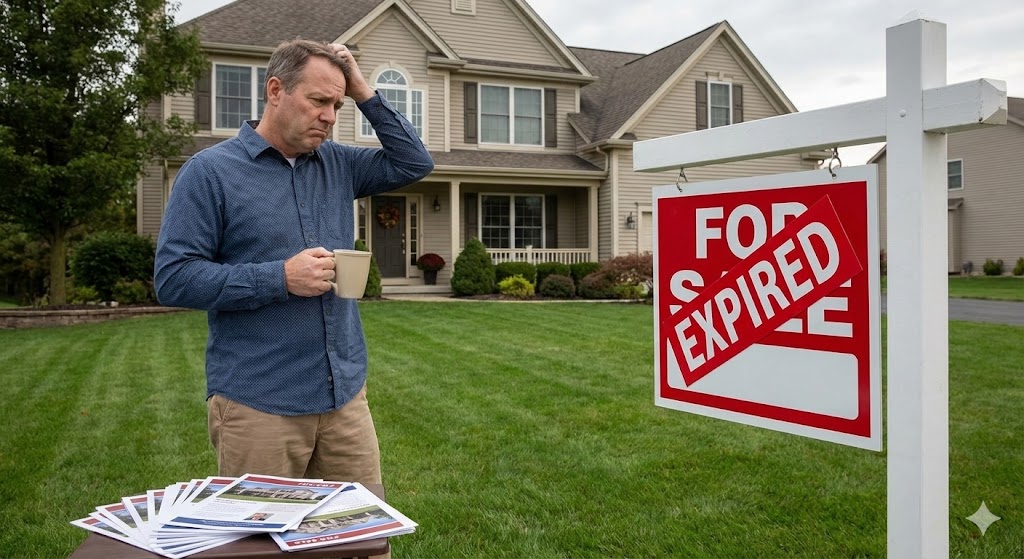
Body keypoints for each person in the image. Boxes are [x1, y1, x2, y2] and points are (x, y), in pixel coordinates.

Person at [154, 39, 433, 485]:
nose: (329, 116)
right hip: (260, 405)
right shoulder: (210, 173)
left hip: (343, 399)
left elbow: (414, 162)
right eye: (319, 100)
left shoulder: (338, 164)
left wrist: (364, 92)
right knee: (259, 548)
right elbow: (174, 279)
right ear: (276, 90)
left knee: (361, 542)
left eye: (338, 105)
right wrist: (279, 278)